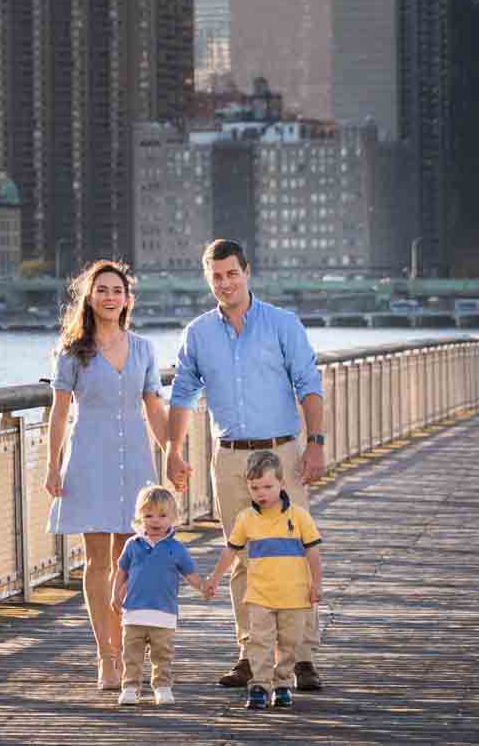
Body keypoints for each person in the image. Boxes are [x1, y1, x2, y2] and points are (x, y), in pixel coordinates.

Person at [164, 238, 328, 692]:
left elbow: (309, 385)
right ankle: (249, 654)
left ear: (247, 272)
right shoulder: (197, 333)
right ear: (208, 279)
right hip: (230, 455)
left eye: (232, 273)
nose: (225, 283)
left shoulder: (282, 324)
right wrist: (172, 450)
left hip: (282, 452)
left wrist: (315, 444)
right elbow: (181, 394)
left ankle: (302, 658)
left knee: (293, 551)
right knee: (240, 555)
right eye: (216, 276)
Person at [44, 259, 168, 690]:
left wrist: (172, 454)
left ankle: (129, 650)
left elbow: (154, 406)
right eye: (102, 290)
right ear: (90, 298)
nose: (110, 296)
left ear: (128, 299)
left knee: (128, 563)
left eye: (117, 290)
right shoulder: (71, 352)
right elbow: (59, 412)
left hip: (134, 460)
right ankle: (107, 656)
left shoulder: (145, 349)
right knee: (98, 562)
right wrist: (52, 465)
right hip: (88, 461)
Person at [201, 450, 323, 710]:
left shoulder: (299, 516)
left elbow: (313, 551)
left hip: (294, 595)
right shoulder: (246, 518)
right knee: (260, 641)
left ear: (281, 483)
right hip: (259, 595)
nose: (261, 493)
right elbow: (231, 550)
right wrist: (214, 578)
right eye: (255, 488)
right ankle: (259, 685)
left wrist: (316, 584)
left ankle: (282, 685)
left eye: (268, 486)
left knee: (289, 643)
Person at [111, 484, 206, 707]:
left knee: (162, 654)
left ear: (173, 517)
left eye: (162, 515)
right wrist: (115, 594)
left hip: (164, 613)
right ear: (139, 517)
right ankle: (130, 687)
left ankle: (162, 687)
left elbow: (190, 574)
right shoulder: (132, 545)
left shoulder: (177, 548)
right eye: (149, 515)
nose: (155, 520)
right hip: (134, 611)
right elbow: (121, 572)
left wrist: (203, 587)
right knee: (131, 654)